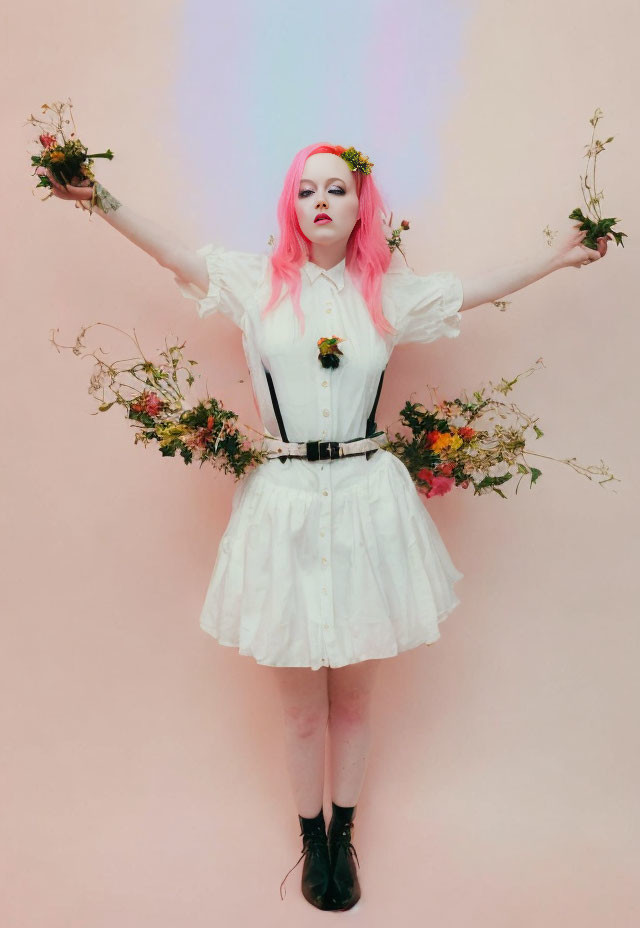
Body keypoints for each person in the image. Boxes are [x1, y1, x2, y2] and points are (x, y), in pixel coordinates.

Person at [36, 143, 609, 912]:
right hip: (285, 500)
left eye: (336, 188)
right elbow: (168, 248)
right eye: (306, 189)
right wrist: (97, 194)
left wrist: (561, 256)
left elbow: (471, 291)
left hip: (369, 498)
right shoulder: (254, 284)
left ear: (358, 204)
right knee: (302, 707)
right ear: (291, 205)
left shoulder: (385, 294)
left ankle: (346, 833)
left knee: (355, 702)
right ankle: (311, 841)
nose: (321, 201)